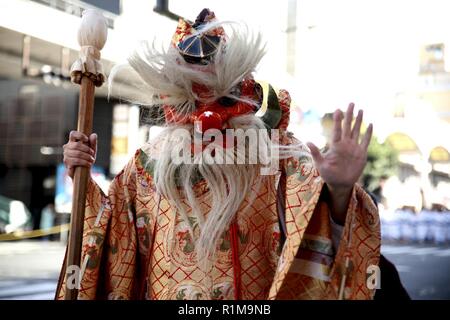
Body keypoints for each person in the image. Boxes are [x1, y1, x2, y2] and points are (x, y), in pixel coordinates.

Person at [56, 9, 380, 300]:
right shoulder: (147, 165)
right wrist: (81, 178)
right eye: (190, 103)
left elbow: (318, 228)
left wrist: (339, 191)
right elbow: (114, 239)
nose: (205, 117)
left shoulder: (275, 155)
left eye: (222, 101)